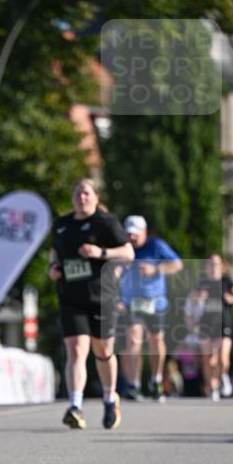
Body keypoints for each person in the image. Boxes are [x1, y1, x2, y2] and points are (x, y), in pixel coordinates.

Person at [49, 178, 134, 430]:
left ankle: (110, 398)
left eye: (86, 193)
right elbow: (55, 251)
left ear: (96, 197)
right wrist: (53, 267)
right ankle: (75, 406)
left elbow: (129, 253)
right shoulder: (62, 225)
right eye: (77, 193)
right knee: (76, 350)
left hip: (102, 297)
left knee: (103, 352)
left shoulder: (106, 223)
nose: (81, 197)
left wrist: (101, 253)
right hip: (71, 297)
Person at [118, 215, 183, 401]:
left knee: (156, 341)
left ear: (144, 232)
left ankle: (156, 380)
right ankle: (135, 385)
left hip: (155, 303)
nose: (132, 238)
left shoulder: (156, 245)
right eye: (128, 234)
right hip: (132, 303)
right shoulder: (124, 249)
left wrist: (157, 270)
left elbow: (177, 264)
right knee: (133, 341)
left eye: (135, 234)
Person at [192, 254, 233, 400]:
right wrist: (199, 297)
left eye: (216, 264)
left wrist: (231, 298)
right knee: (209, 359)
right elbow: (192, 300)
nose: (214, 266)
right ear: (207, 266)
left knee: (223, 357)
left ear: (221, 266)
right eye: (211, 264)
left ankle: (224, 376)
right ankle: (211, 387)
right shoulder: (202, 282)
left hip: (223, 323)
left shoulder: (227, 281)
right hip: (206, 324)